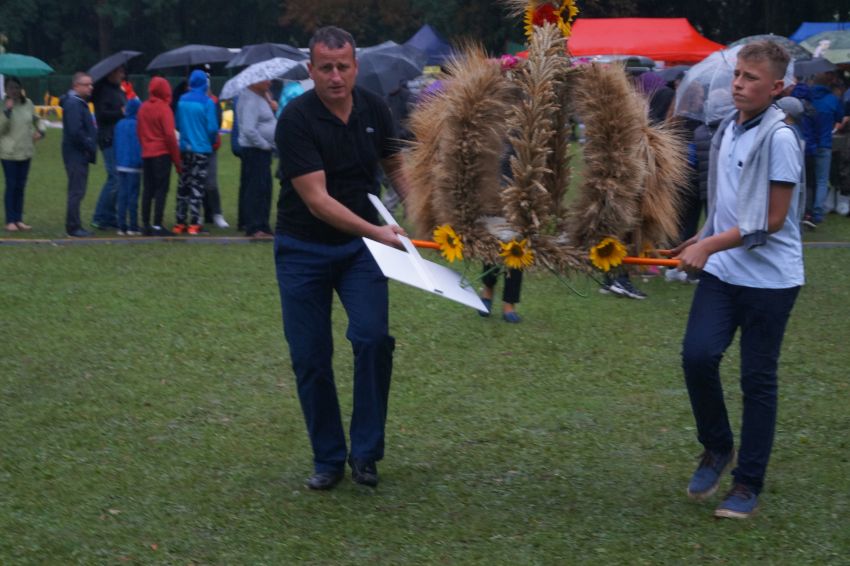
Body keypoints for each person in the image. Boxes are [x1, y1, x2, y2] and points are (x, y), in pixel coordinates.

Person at [274, 26, 412, 490]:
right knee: (310, 356)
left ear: (356, 67)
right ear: (310, 70)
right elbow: (317, 201)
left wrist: (425, 213)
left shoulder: (375, 108)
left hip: (361, 253)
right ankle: (328, 458)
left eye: (343, 66)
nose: (335, 76)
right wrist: (379, 231)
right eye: (326, 68)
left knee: (373, 339)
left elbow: (396, 168)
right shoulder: (296, 119)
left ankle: (366, 454)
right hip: (303, 249)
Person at [673, 41, 804, 519]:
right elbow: (726, 200)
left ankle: (747, 483)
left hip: (771, 281)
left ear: (777, 87)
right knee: (697, 356)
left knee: (757, 379)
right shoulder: (727, 127)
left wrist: (708, 246)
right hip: (725, 271)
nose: (739, 85)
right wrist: (702, 234)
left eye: (751, 78)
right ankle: (717, 447)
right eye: (737, 75)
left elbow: (771, 219)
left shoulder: (781, 138)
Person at [173, 69, 219, 235]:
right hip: (201, 148)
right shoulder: (208, 102)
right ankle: (194, 223)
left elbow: (177, 124)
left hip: (185, 148)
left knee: (183, 184)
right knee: (197, 185)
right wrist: (209, 141)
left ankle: (179, 222)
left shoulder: (182, 100)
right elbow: (212, 128)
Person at [137, 76, 181, 236]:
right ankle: (157, 224)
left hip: (147, 153)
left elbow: (139, 131)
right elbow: (169, 135)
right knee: (161, 189)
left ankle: (145, 223)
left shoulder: (143, 107)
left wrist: (145, 145)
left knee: (147, 189)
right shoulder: (164, 108)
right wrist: (177, 160)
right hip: (162, 153)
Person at [1, 77, 45, 232]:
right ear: (6, 90)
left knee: (21, 186)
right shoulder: (2, 105)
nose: (14, 90)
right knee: (11, 185)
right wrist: (7, 112)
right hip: (9, 153)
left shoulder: (28, 103)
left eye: (17, 87)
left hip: (26, 150)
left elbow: (37, 119)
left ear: (21, 89)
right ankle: (10, 221)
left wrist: (41, 131)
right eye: (11, 88)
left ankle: (18, 219)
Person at [237, 78, 276, 237]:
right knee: (257, 189)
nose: (270, 82)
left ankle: (261, 224)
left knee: (263, 188)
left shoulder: (260, 97)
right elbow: (249, 129)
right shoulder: (251, 100)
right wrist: (264, 144)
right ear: (254, 81)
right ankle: (255, 226)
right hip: (255, 150)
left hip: (259, 150)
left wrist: (268, 101)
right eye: (265, 79)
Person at [60, 72, 97, 238]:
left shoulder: (77, 103)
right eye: (86, 84)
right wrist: (88, 143)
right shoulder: (74, 104)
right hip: (76, 153)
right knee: (76, 191)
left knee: (77, 190)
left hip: (77, 152)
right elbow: (75, 131)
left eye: (91, 84)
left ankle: (74, 224)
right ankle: (73, 227)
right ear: (76, 86)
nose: (90, 87)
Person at [90, 66, 127, 230]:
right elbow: (102, 114)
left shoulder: (118, 90)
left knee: (117, 178)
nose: (122, 75)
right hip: (108, 138)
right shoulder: (103, 91)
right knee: (115, 178)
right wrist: (121, 112)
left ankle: (110, 216)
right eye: (120, 72)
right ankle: (99, 216)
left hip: (118, 137)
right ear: (111, 73)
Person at [808, 72, 844, 223]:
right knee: (822, 180)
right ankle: (817, 212)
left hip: (808, 144)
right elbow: (840, 117)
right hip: (825, 143)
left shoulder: (807, 97)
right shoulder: (832, 99)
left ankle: (806, 209)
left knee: (808, 179)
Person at [114, 97, 142, 235]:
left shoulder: (119, 124)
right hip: (134, 165)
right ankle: (133, 226)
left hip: (121, 164)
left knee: (122, 195)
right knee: (133, 195)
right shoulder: (139, 125)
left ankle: (121, 225)